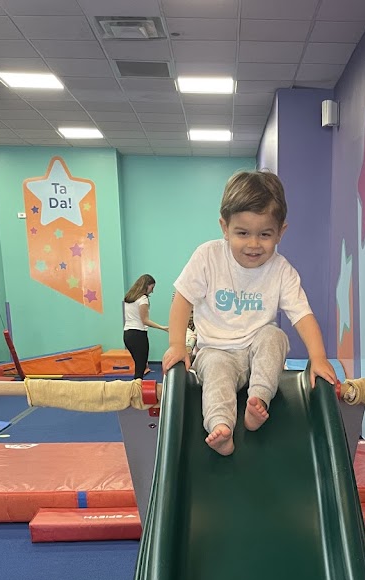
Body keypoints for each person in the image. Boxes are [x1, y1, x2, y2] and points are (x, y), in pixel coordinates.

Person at [161, 170, 336, 456]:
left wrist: (318, 357)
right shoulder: (207, 257)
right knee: (216, 372)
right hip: (216, 350)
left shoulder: (281, 270)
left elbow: (302, 315)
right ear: (225, 227)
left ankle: (258, 401)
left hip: (257, 352)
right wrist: (177, 345)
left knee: (274, 336)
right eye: (242, 233)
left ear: (280, 232)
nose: (253, 244)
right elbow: (182, 300)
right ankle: (221, 428)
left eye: (265, 234)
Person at [123, 274, 168, 379]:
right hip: (138, 335)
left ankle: (136, 386)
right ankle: (137, 387)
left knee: (139, 365)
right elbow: (145, 320)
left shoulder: (129, 297)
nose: (152, 291)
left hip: (127, 335)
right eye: (152, 288)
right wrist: (162, 328)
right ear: (146, 285)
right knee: (141, 367)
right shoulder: (143, 299)